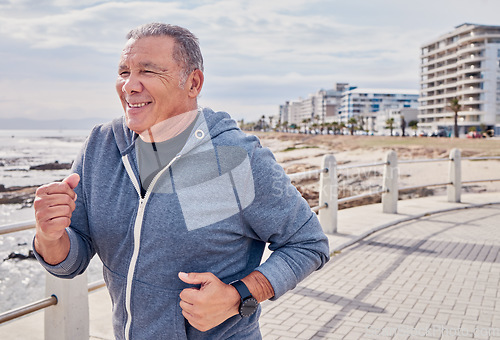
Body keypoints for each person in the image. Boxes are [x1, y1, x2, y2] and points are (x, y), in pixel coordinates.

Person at [33, 23, 330, 340]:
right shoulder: (101, 147)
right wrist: (50, 237)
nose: (129, 86)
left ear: (193, 82)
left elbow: (309, 243)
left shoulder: (234, 158)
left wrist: (239, 295)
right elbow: (70, 262)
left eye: (148, 71)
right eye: (123, 72)